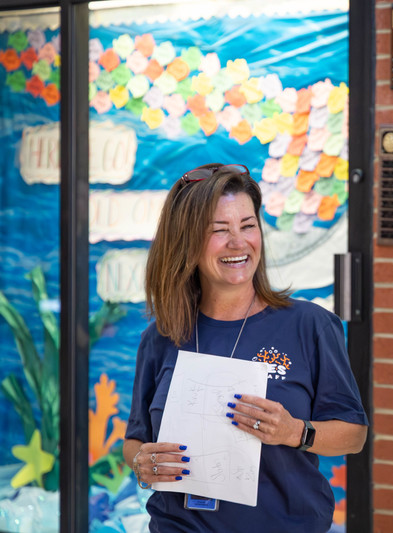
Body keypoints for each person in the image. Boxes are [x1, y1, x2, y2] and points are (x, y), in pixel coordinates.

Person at [123, 163, 368, 532]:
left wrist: (294, 432)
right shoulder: (161, 336)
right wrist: (141, 461)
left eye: (247, 226)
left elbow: (354, 434)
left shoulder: (310, 325)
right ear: (186, 243)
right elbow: (136, 438)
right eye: (219, 230)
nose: (238, 242)